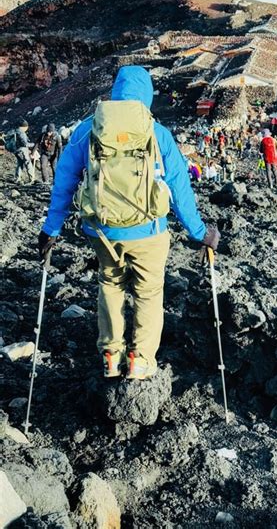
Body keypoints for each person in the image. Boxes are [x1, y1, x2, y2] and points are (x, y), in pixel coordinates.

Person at [38, 66, 220, 380]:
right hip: (150, 231)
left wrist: (51, 229)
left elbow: (64, 181)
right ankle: (141, 361)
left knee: (110, 285)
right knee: (148, 293)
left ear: (116, 92)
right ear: (146, 96)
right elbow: (179, 188)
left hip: (102, 230)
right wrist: (200, 233)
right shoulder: (156, 132)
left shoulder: (88, 129)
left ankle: (111, 355)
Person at [12, 120, 34, 184]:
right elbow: (25, 144)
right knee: (28, 163)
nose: (27, 128)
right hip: (22, 150)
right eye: (26, 127)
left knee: (20, 164)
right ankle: (32, 179)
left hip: (16, 150)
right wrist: (33, 144)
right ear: (23, 126)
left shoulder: (16, 131)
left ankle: (17, 178)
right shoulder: (21, 133)